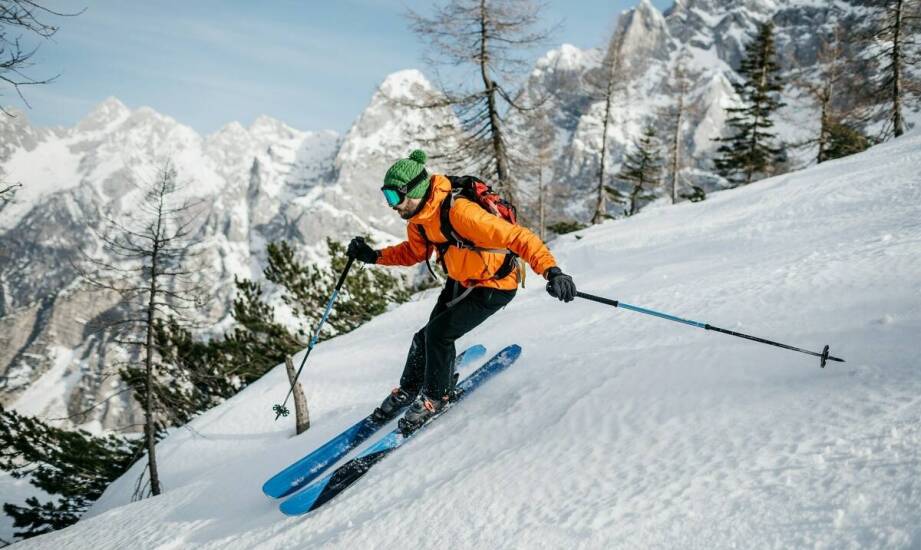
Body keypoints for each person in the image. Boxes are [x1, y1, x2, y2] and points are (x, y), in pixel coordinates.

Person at [347, 149, 576, 431]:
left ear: (414, 190)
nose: (392, 205)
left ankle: (436, 397)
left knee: (439, 335)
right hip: (460, 280)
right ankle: (409, 389)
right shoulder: (419, 219)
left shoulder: (460, 212)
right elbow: (413, 253)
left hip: (494, 284)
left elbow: (519, 237)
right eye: (387, 197)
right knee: (424, 337)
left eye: (395, 197)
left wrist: (552, 271)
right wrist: (374, 256)